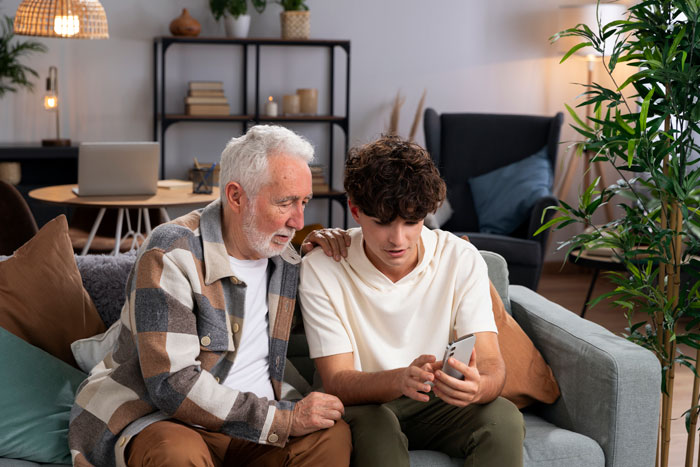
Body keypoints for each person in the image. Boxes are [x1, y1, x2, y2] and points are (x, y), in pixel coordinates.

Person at [69, 125, 351, 467]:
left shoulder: (287, 259)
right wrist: (284, 421)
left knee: (333, 437)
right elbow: (172, 385)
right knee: (176, 455)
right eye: (285, 202)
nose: (299, 220)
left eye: (304, 201)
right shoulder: (171, 252)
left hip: (260, 424)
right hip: (167, 419)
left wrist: (330, 251)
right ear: (235, 196)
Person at [298, 135, 525, 467]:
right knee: (377, 429)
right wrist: (399, 379)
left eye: (411, 222)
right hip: (364, 406)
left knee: (502, 417)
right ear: (355, 210)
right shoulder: (322, 267)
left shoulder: (460, 258)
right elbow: (337, 382)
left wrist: (480, 387)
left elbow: (491, 364)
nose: (398, 240)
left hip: (435, 403)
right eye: (383, 223)